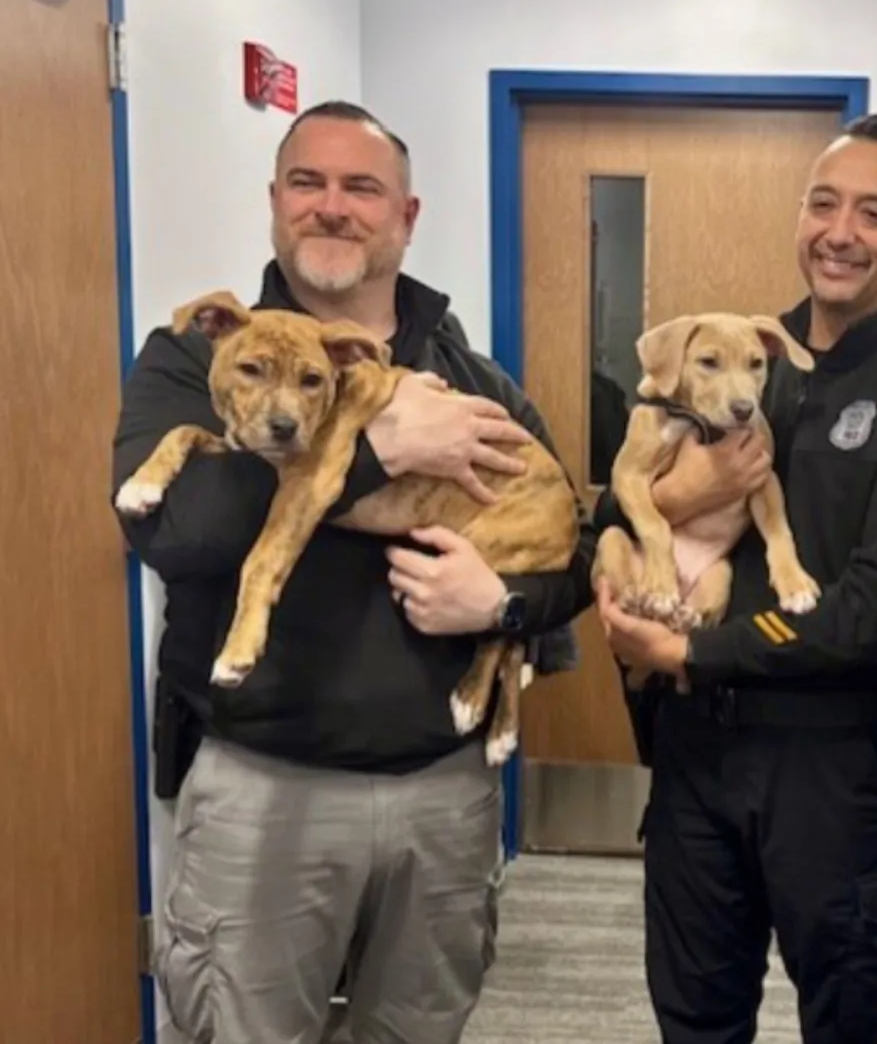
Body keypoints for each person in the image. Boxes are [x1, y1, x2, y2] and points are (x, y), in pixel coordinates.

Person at [112, 100, 596, 1044]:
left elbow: (569, 556)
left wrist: (499, 606)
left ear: (405, 218)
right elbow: (179, 532)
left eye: (361, 188)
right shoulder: (196, 355)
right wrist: (379, 448)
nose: (331, 207)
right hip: (264, 786)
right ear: (274, 203)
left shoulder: (472, 378)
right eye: (308, 182)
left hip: (442, 794)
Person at [592, 113, 877, 1044]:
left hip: (836, 765)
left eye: (875, 214)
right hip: (696, 756)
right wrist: (683, 495)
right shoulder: (737, 356)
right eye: (823, 203)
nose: (841, 231)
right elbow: (607, 527)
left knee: (847, 1027)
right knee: (695, 1022)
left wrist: (695, 647)